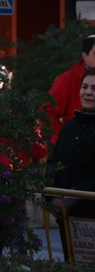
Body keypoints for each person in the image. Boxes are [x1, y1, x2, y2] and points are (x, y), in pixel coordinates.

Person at [47, 69, 95, 259]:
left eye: (94, 88)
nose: (88, 92)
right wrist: (52, 200)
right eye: (85, 87)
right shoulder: (69, 126)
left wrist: (73, 199)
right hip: (66, 218)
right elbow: (53, 164)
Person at [48, 35, 95, 143]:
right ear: (85, 56)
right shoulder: (67, 80)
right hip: (79, 147)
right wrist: (63, 141)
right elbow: (47, 112)